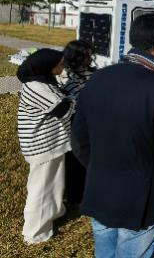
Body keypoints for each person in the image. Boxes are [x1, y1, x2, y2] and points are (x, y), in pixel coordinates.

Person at [72, 13, 154, 257]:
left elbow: (79, 142)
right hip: (143, 203)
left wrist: (102, 169)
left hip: (102, 190)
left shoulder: (98, 78)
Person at [17, 49, 70, 244]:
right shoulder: (36, 86)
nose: (63, 66)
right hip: (42, 146)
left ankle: (54, 212)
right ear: (47, 66)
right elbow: (63, 109)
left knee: (54, 183)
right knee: (41, 189)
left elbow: (63, 98)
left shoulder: (44, 81)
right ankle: (35, 233)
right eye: (60, 64)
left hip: (52, 142)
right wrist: (78, 100)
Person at [61, 40, 95, 205]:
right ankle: (74, 196)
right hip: (75, 124)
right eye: (87, 55)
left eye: (91, 54)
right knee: (75, 159)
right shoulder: (65, 76)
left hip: (92, 123)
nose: (90, 58)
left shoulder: (93, 72)